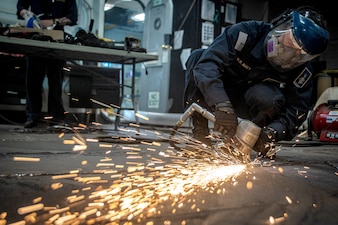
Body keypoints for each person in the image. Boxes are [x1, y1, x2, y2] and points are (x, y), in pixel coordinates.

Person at [183, 6, 329, 156]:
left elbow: (296, 111)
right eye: (291, 41)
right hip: (219, 97)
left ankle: (242, 142)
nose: (291, 52)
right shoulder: (245, 33)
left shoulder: (302, 71)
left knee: (268, 98)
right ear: (283, 24)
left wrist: (272, 133)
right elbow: (208, 66)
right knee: (197, 57)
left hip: (252, 111)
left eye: (301, 53)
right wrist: (221, 104)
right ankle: (200, 137)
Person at [17, 0, 78, 128]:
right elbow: (21, 5)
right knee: (33, 80)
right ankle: (32, 116)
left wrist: (54, 21)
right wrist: (25, 13)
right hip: (35, 37)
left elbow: (72, 17)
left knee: (56, 80)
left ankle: (56, 117)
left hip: (57, 40)